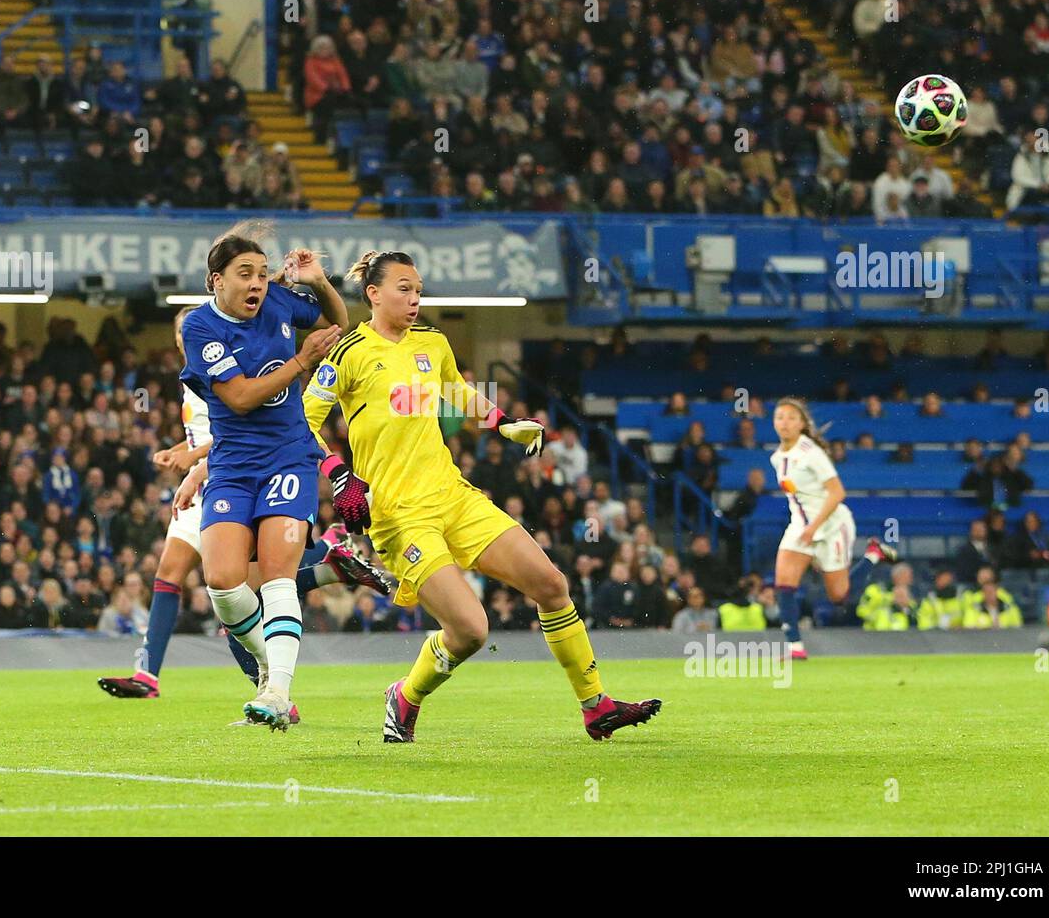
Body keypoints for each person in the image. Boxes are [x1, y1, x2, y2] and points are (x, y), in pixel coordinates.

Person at [302, 249, 661, 742]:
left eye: (419, 289)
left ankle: (595, 705)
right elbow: (302, 423)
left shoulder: (433, 342)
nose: (414, 298)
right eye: (404, 289)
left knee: (552, 584)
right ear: (373, 294)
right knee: (472, 630)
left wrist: (502, 421)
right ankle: (405, 696)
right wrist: (339, 474)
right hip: (400, 516)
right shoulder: (348, 353)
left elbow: (456, 389)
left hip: (453, 496)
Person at [98, 300, 390, 708]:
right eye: (180, 336)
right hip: (212, 480)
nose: (187, 340)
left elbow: (245, 423)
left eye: (190, 332)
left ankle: (275, 685)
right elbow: (210, 432)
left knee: (246, 590)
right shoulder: (192, 376)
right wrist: (183, 452)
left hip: (233, 477)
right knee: (191, 577)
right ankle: (150, 671)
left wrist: (195, 464)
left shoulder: (231, 363)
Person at [172, 225, 347, 730]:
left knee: (276, 573)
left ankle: (276, 692)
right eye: (245, 274)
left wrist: (318, 282)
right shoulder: (202, 330)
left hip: (288, 457)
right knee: (223, 582)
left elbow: (339, 322)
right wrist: (300, 361)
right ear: (215, 281)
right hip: (231, 466)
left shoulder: (278, 303)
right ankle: (273, 671)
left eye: (264, 274)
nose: (257, 284)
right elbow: (242, 397)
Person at [769, 397, 897, 659]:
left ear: (802, 424)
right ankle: (795, 647)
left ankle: (873, 554)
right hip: (801, 526)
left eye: (792, 417)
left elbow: (837, 492)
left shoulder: (811, 454)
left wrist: (814, 527)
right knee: (783, 582)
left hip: (831, 525)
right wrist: (805, 529)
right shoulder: (777, 457)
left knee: (840, 596)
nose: (785, 422)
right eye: (780, 417)